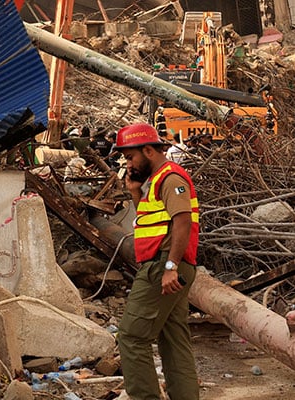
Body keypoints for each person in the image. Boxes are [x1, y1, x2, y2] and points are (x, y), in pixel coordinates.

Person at [113, 122, 200, 400]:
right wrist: (135, 192)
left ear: (148, 150)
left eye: (130, 157)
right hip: (168, 264)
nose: (128, 163)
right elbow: (152, 223)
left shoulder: (171, 179)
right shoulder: (156, 182)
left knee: (131, 337)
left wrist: (170, 267)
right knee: (173, 339)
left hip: (163, 265)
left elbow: (182, 222)